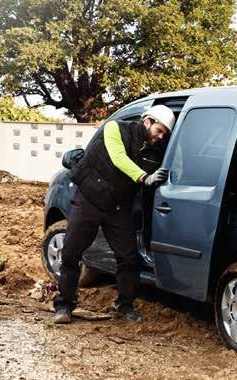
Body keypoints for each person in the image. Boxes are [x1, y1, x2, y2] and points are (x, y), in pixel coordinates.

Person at [53, 105, 176, 324]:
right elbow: (119, 158)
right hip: (88, 199)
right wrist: (143, 177)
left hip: (118, 206)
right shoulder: (115, 128)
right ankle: (64, 305)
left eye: (165, 134)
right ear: (147, 121)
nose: (160, 137)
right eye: (159, 130)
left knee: (128, 257)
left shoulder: (156, 151)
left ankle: (124, 306)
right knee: (71, 252)